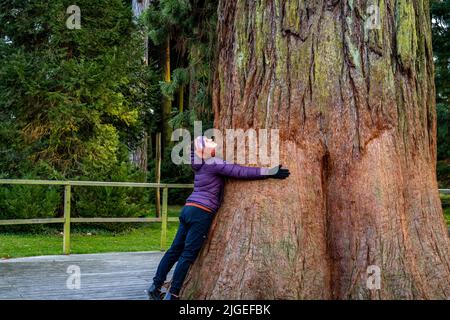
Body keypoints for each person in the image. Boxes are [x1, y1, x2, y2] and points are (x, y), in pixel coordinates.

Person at [147, 136, 290, 300]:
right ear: (203, 149)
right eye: (207, 140)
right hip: (201, 212)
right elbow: (240, 171)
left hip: (188, 209)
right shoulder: (213, 162)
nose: (210, 138)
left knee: (174, 251)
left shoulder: (199, 164)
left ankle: (155, 286)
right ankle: (173, 295)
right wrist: (268, 172)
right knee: (187, 254)